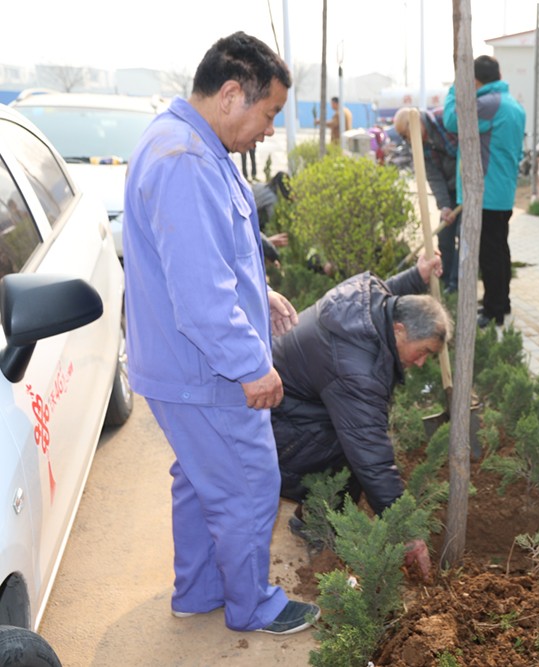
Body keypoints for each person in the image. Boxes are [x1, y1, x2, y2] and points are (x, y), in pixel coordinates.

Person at [123, 32, 320, 635]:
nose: (268, 130)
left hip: (182, 366)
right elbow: (203, 298)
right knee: (248, 482)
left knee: (201, 478)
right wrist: (252, 366)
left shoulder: (192, 146)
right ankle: (251, 605)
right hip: (203, 371)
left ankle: (200, 591)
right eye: (269, 114)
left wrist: (258, 291)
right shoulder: (185, 161)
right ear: (233, 94)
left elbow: (204, 259)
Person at [270, 253, 451, 580]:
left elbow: (390, 295)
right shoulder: (358, 369)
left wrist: (417, 275)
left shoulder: (365, 300)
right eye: (422, 352)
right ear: (398, 332)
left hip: (293, 404)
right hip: (277, 428)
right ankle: (320, 524)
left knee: (356, 438)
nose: (422, 363)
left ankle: (318, 514)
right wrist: (406, 533)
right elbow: (372, 454)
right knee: (353, 449)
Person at [443, 55, 526, 328]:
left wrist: (456, 88)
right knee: (499, 249)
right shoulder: (513, 105)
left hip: (486, 192)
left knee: (488, 255)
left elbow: (453, 121)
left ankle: (493, 312)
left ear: (475, 80)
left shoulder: (488, 105)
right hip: (502, 191)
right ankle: (502, 300)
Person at [394, 106, 461, 293]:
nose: (409, 140)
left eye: (408, 135)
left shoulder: (444, 120)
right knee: (445, 236)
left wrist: (465, 188)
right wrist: (445, 206)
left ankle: (457, 284)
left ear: (416, 124)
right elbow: (433, 176)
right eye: (405, 138)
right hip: (449, 190)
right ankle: (446, 278)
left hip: (466, 187)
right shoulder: (418, 145)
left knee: (464, 237)